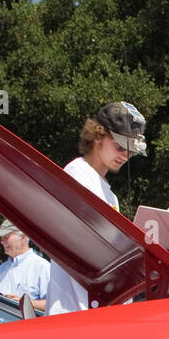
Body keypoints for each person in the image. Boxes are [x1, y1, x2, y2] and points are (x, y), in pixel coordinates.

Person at [44, 102, 147, 314]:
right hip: (71, 311)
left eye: (130, 150)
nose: (125, 155)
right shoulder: (77, 174)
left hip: (91, 311)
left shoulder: (110, 195)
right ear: (98, 135)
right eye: (120, 145)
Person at [0, 219, 49, 313]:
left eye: (6, 237)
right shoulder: (1, 269)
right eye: (1, 238)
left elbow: (52, 305)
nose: (2, 242)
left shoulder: (42, 266)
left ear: (23, 236)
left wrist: (24, 303)